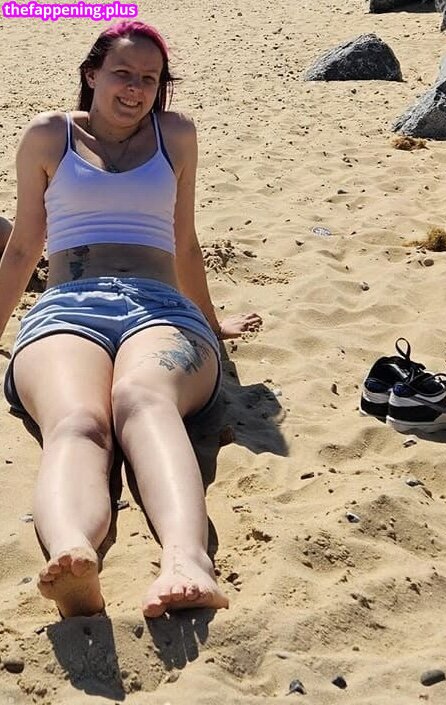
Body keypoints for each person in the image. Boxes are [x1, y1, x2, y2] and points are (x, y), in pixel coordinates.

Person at [0, 20, 262, 619]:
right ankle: (72, 550)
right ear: (92, 74)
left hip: (163, 308)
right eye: (122, 73)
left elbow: (185, 242)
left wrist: (210, 321)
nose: (136, 88)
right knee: (78, 420)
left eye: (150, 78)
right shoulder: (49, 136)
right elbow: (21, 249)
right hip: (67, 307)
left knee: (144, 399)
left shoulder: (176, 135)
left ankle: (186, 561)